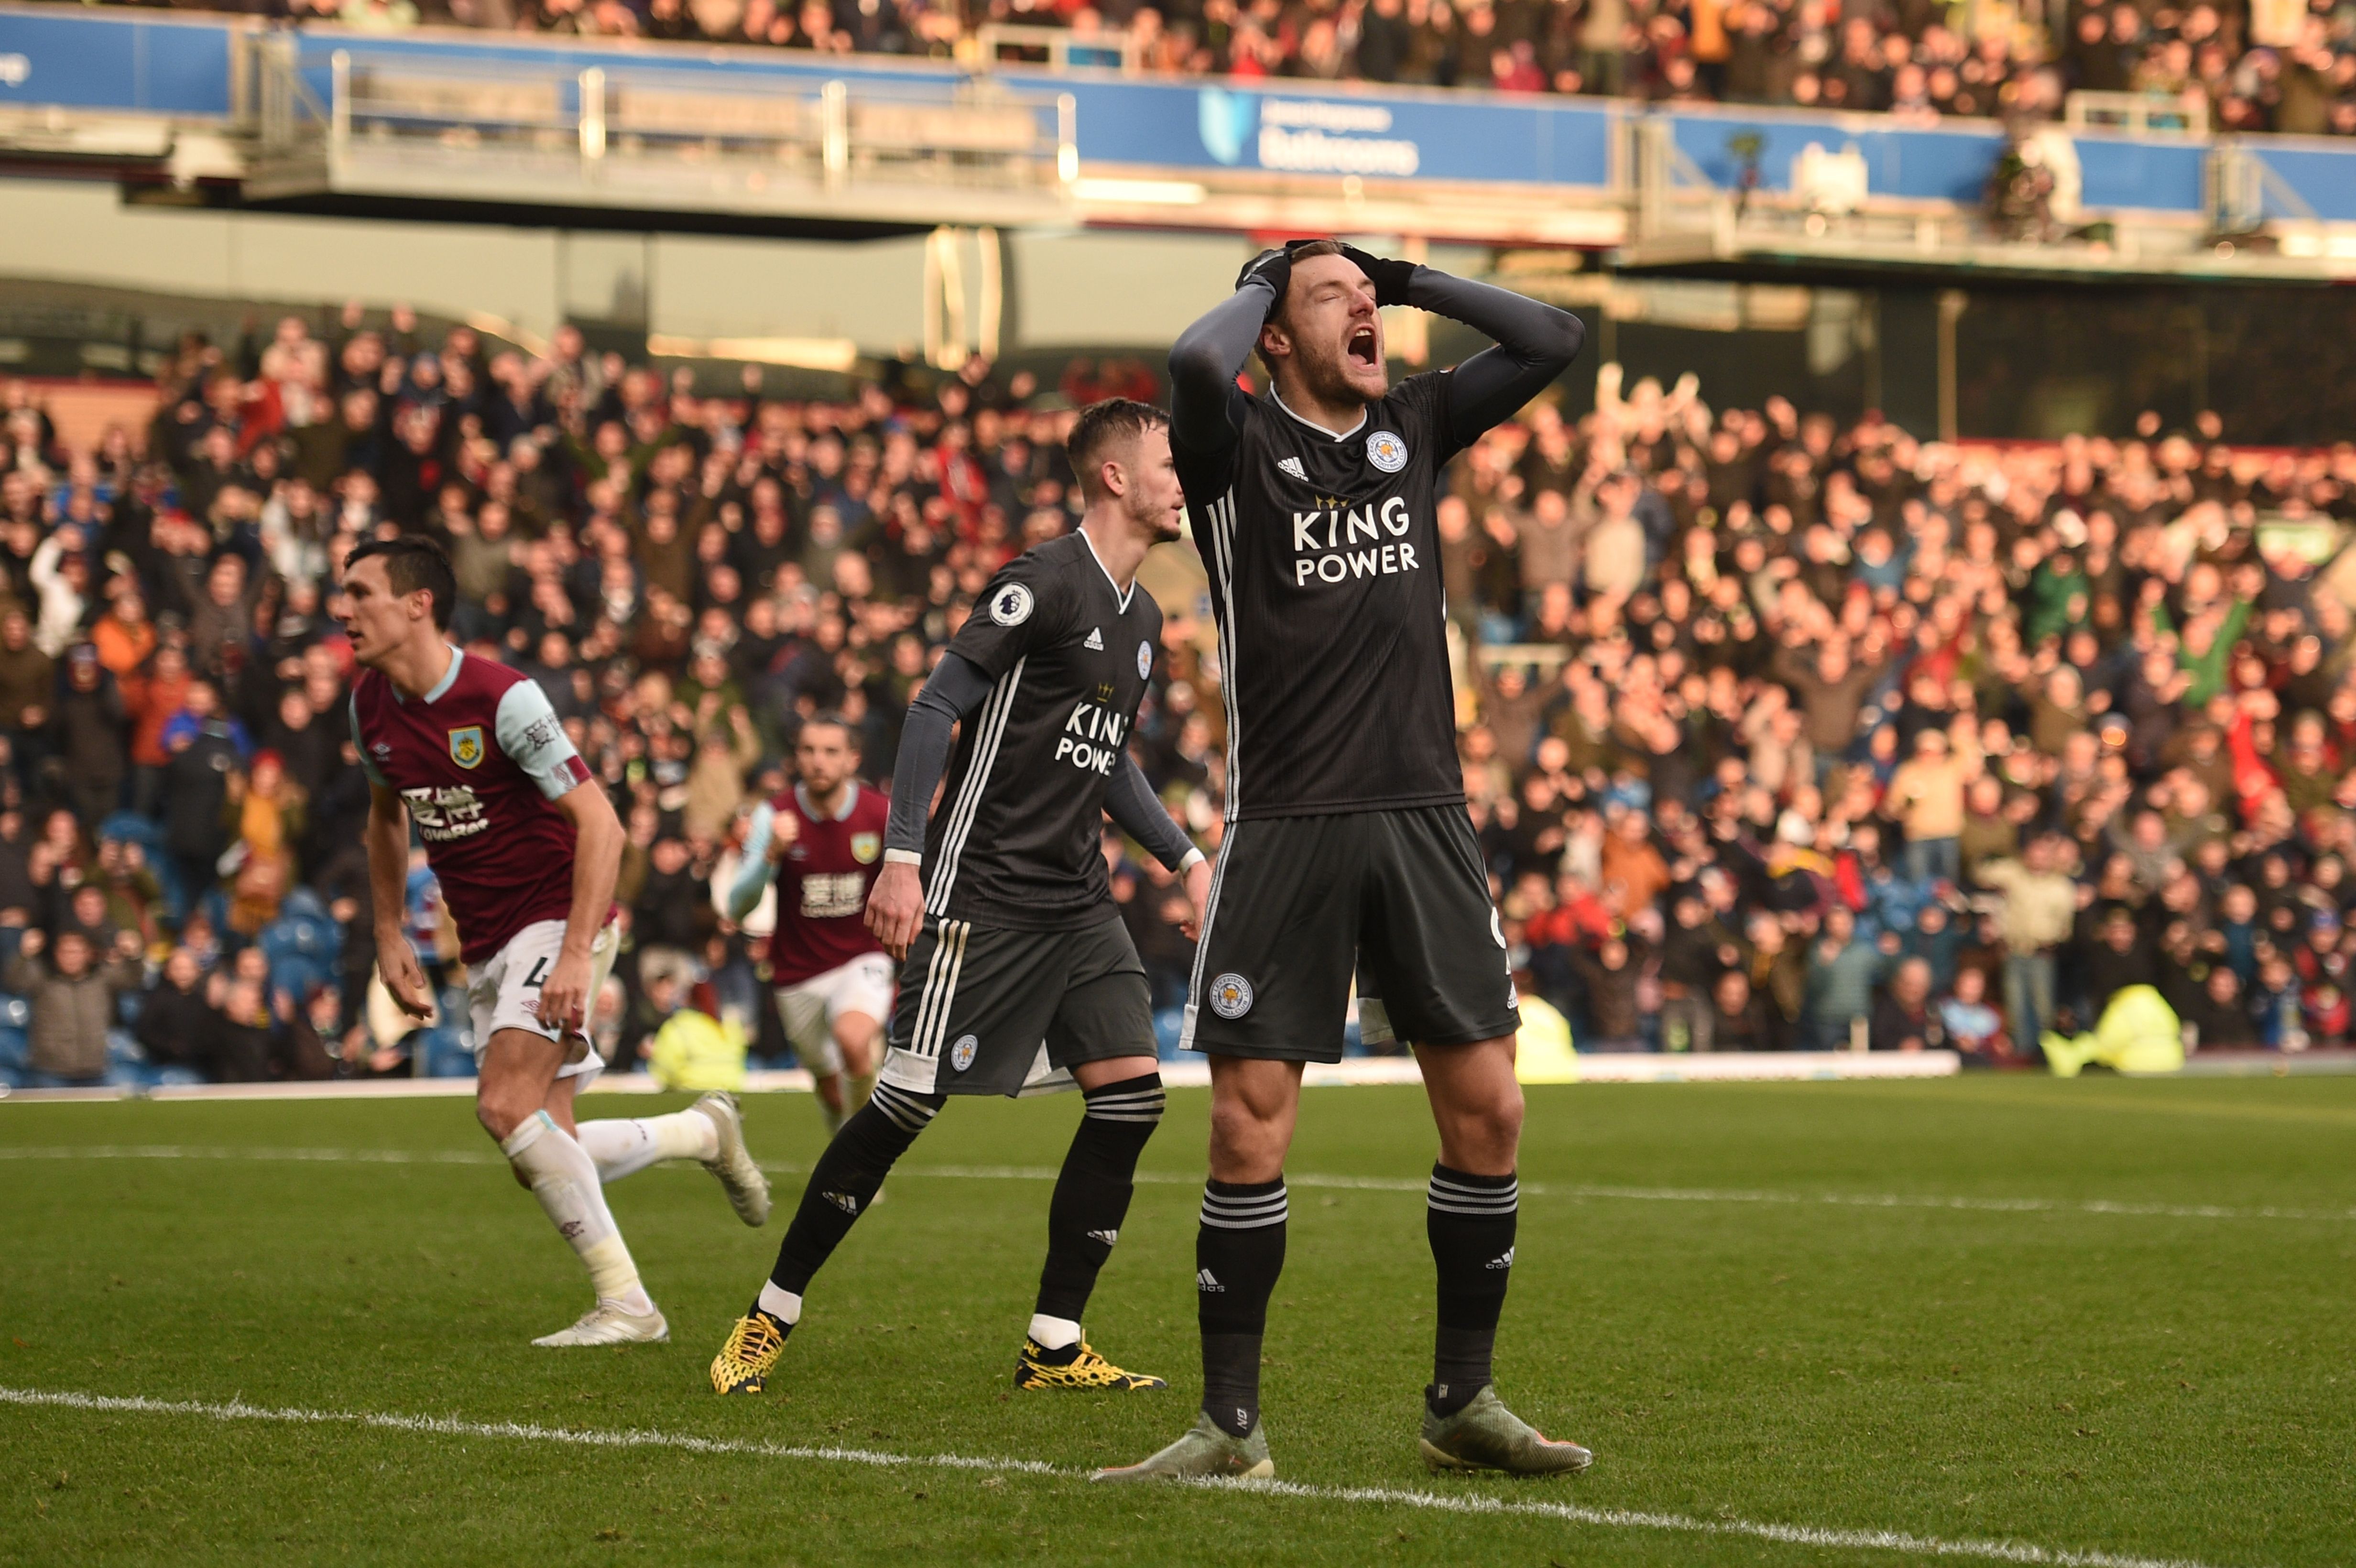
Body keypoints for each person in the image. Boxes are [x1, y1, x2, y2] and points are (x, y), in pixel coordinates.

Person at [1103, 240, 1590, 1483]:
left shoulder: (1414, 424)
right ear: (1276, 335)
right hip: (1287, 824)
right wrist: (1269, 278)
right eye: (1336, 299)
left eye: (1367, 298)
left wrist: (1405, 277)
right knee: (1246, 1130)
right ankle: (1229, 1428)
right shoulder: (1232, 449)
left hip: (1425, 816)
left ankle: (1463, 1399)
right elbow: (1190, 362)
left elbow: (1553, 339)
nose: (1363, 307)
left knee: (1491, 1110)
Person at [709, 399, 1211, 1399]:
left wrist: (1185, 859)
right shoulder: (1042, 581)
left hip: (1077, 901)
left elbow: (1104, 760)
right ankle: (769, 1313)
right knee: (902, 1105)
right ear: (1114, 476)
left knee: (1131, 1099)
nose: (1183, 480)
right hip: (983, 892)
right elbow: (935, 703)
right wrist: (902, 858)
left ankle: (1053, 1343)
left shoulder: (1145, 619)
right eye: (1168, 461)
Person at [340, 534, 769, 1348]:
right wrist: (388, 931)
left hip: (557, 914)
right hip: (484, 937)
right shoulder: (370, 707)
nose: (345, 610)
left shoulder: (505, 698)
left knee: (504, 1107)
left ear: (418, 604)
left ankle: (628, 1305)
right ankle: (701, 1132)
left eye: (361, 593)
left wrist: (575, 952)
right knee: (543, 1148)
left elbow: (602, 824)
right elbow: (385, 818)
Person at [724, 713, 894, 1132]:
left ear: (853, 759)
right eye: (809, 750)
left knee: (854, 1041)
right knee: (830, 1089)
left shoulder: (880, 813)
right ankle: (843, 1137)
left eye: (831, 752)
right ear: (797, 757)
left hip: (862, 957)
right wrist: (770, 855)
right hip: (797, 973)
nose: (819, 761)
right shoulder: (774, 815)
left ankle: (862, 1153)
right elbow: (738, 906)